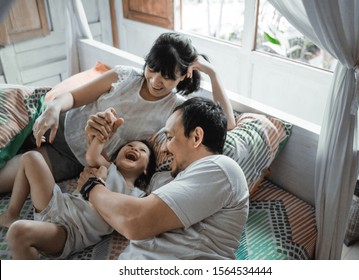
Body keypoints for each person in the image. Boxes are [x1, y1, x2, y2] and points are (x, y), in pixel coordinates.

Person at [0, 32, 235, 193]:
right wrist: (53, 108)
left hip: (74, 160)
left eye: (167, 75)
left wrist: (212, 73)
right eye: (152, 69)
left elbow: (227, 125)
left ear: (184, 75)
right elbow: (73, 97)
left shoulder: (176, 109)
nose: (155, 80)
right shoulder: (123, 76)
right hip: (58, 126)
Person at [76, 97, 249, 260]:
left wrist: (91, 187)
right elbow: (117, 180)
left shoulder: (221, 168)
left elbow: (135, 221)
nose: (164, 148)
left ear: (196, 137)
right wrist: (97, 139)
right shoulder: (170, 180)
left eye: (170, 137)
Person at [2, 117, 156, 259]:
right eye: (130, 146)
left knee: (18, 232)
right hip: (57, 203)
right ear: (116, 157)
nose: (135, 149)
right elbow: (92, 155)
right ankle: (11, 213)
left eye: (142, 151)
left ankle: (34, 239)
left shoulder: (138, 196)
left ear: (146, 170)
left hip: (69, 230)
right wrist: (103, 134)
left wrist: (99, 182)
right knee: (30, 157)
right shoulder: (109, 167)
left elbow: (126, 218)